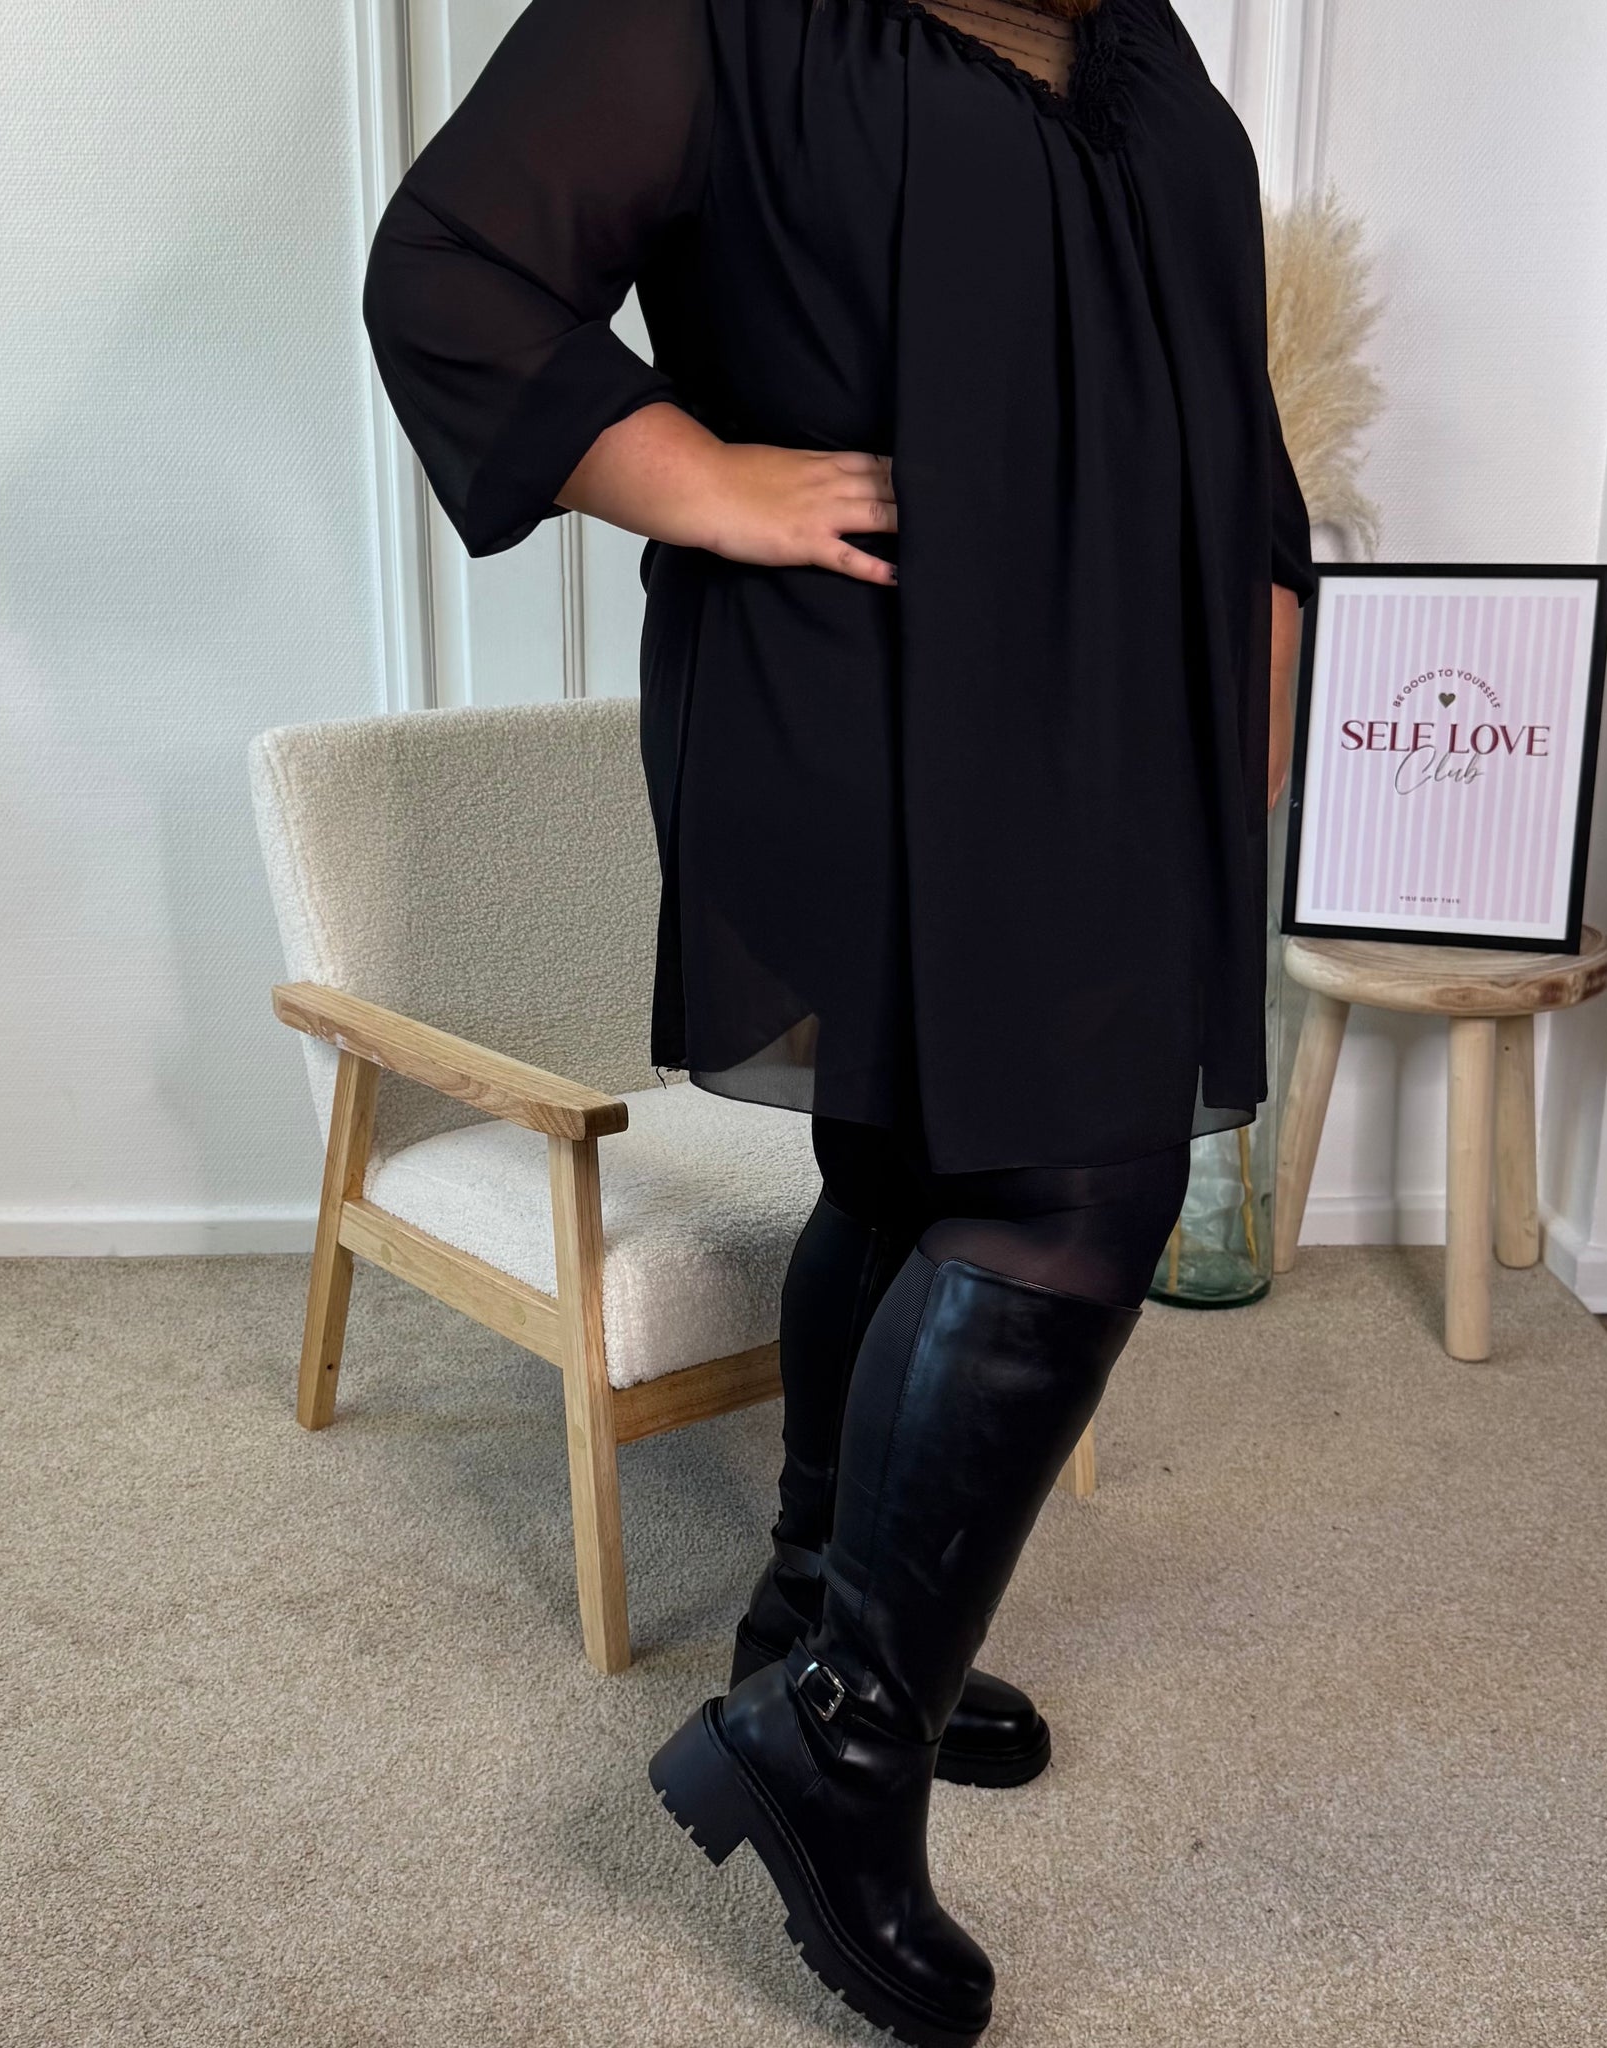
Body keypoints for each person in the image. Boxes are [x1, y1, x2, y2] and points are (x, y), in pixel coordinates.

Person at [362, 0, 1316, 2038]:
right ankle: (842, 1738)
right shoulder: (712, 13)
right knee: (1077, 1185)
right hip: (865, 691)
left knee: (911, 1158)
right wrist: (703, 479)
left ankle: (812, 1624)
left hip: (1102, 707)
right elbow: (448, 270)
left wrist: (1264, 616)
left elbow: (1211, 369)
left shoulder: (1131, 37)